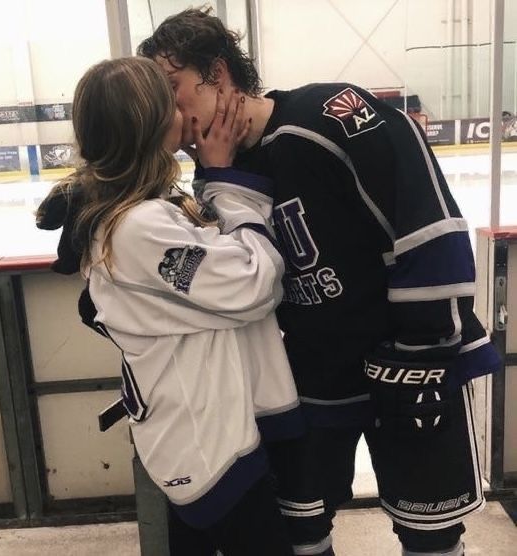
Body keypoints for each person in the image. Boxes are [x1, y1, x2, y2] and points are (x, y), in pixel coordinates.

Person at [138, 7, 503, 556]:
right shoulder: (216, 173)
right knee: (299, 526)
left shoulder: (327, 115)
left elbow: (426, 224)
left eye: (173, 88)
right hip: (309, 372)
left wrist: (423, 351)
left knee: (431, 529)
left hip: (407, 359)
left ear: (217, 72)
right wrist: (213, 178)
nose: (169, 110)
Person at [35, 56, 303, 555]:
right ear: (153, 127)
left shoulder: (134, 213)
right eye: (171, 105)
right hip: (206, 448)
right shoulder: (138, 227)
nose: (185, 111)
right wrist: (224, 178)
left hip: (195, 433)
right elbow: (253, 284)